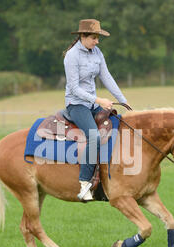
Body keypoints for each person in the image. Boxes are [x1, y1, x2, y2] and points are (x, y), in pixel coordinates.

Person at [62, 19, 128, 201]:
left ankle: (112, 179)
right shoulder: (71, 56)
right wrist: (99, 99)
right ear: (82, 36)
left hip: (92, 105)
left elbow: (106, 76)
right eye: (94, 37)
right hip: (76, 105)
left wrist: (123, 101)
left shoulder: (97, 52)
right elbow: (74, 88)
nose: (97, 41)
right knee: (94, 137)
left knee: (118, 126)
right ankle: (84, 185)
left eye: (98, 38)